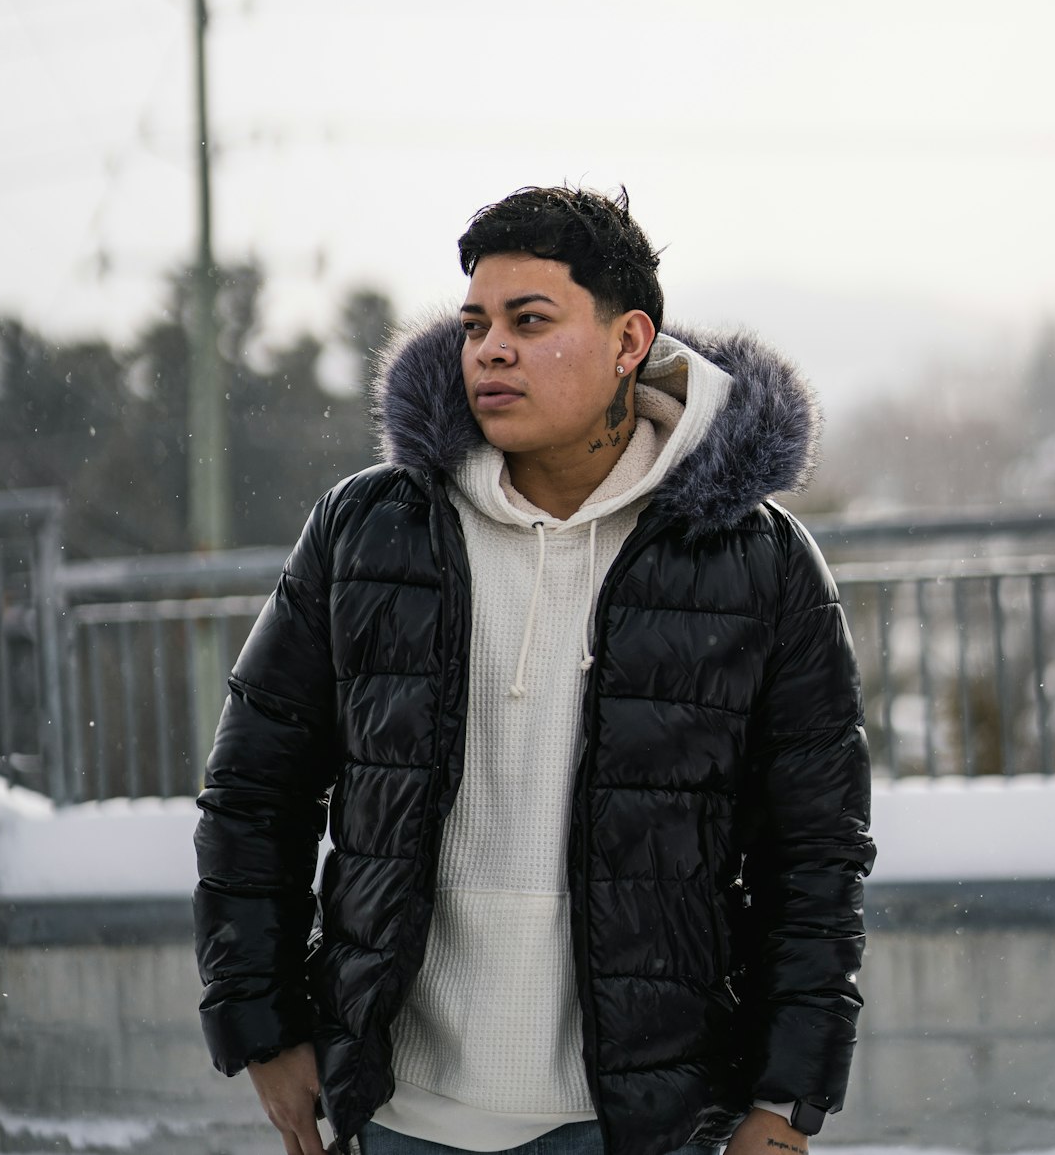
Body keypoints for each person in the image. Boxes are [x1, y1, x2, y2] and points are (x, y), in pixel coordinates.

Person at [194, 185, 875, 1155]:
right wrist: (260, 1024)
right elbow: (256, 793)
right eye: (475, 325)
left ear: (629, 341)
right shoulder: (370, 532)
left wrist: (788, 1096)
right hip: (398, 1112)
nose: (490, 351)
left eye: (530, 320)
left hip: (642, 1121)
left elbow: (815, 856)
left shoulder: (755, 561)